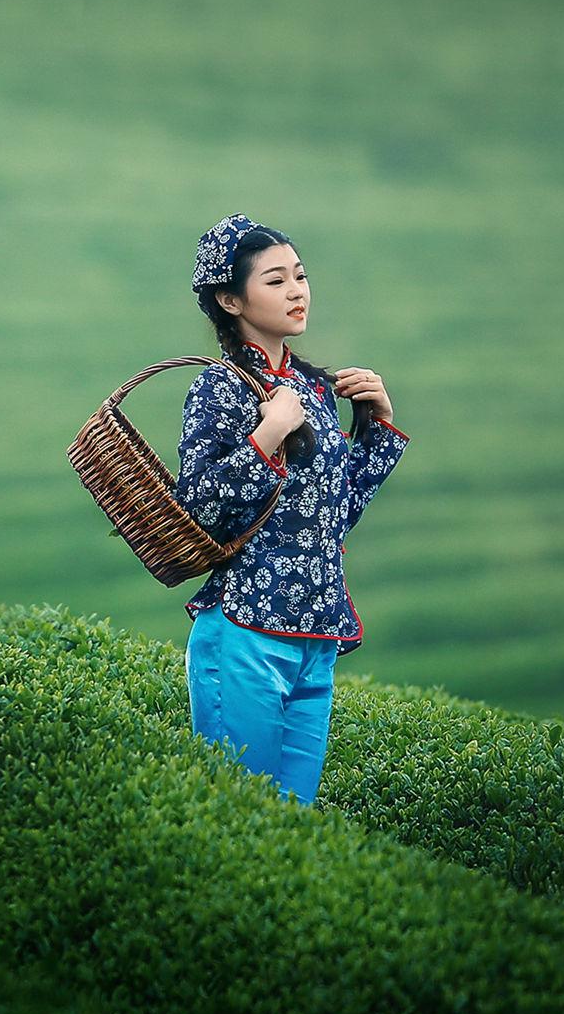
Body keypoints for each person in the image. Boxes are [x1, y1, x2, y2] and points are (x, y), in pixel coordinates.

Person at [172, 212, 409, 806]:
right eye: (275, 281)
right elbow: (198, 504)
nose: (297, 292)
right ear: (230, 299)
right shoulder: (218, 388)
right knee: (242, 812)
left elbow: (331, 515)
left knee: (292, 822)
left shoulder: (315, 389)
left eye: (300, 277)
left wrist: (376, 426)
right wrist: (267, 437)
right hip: (246, 628)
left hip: (314, 635)